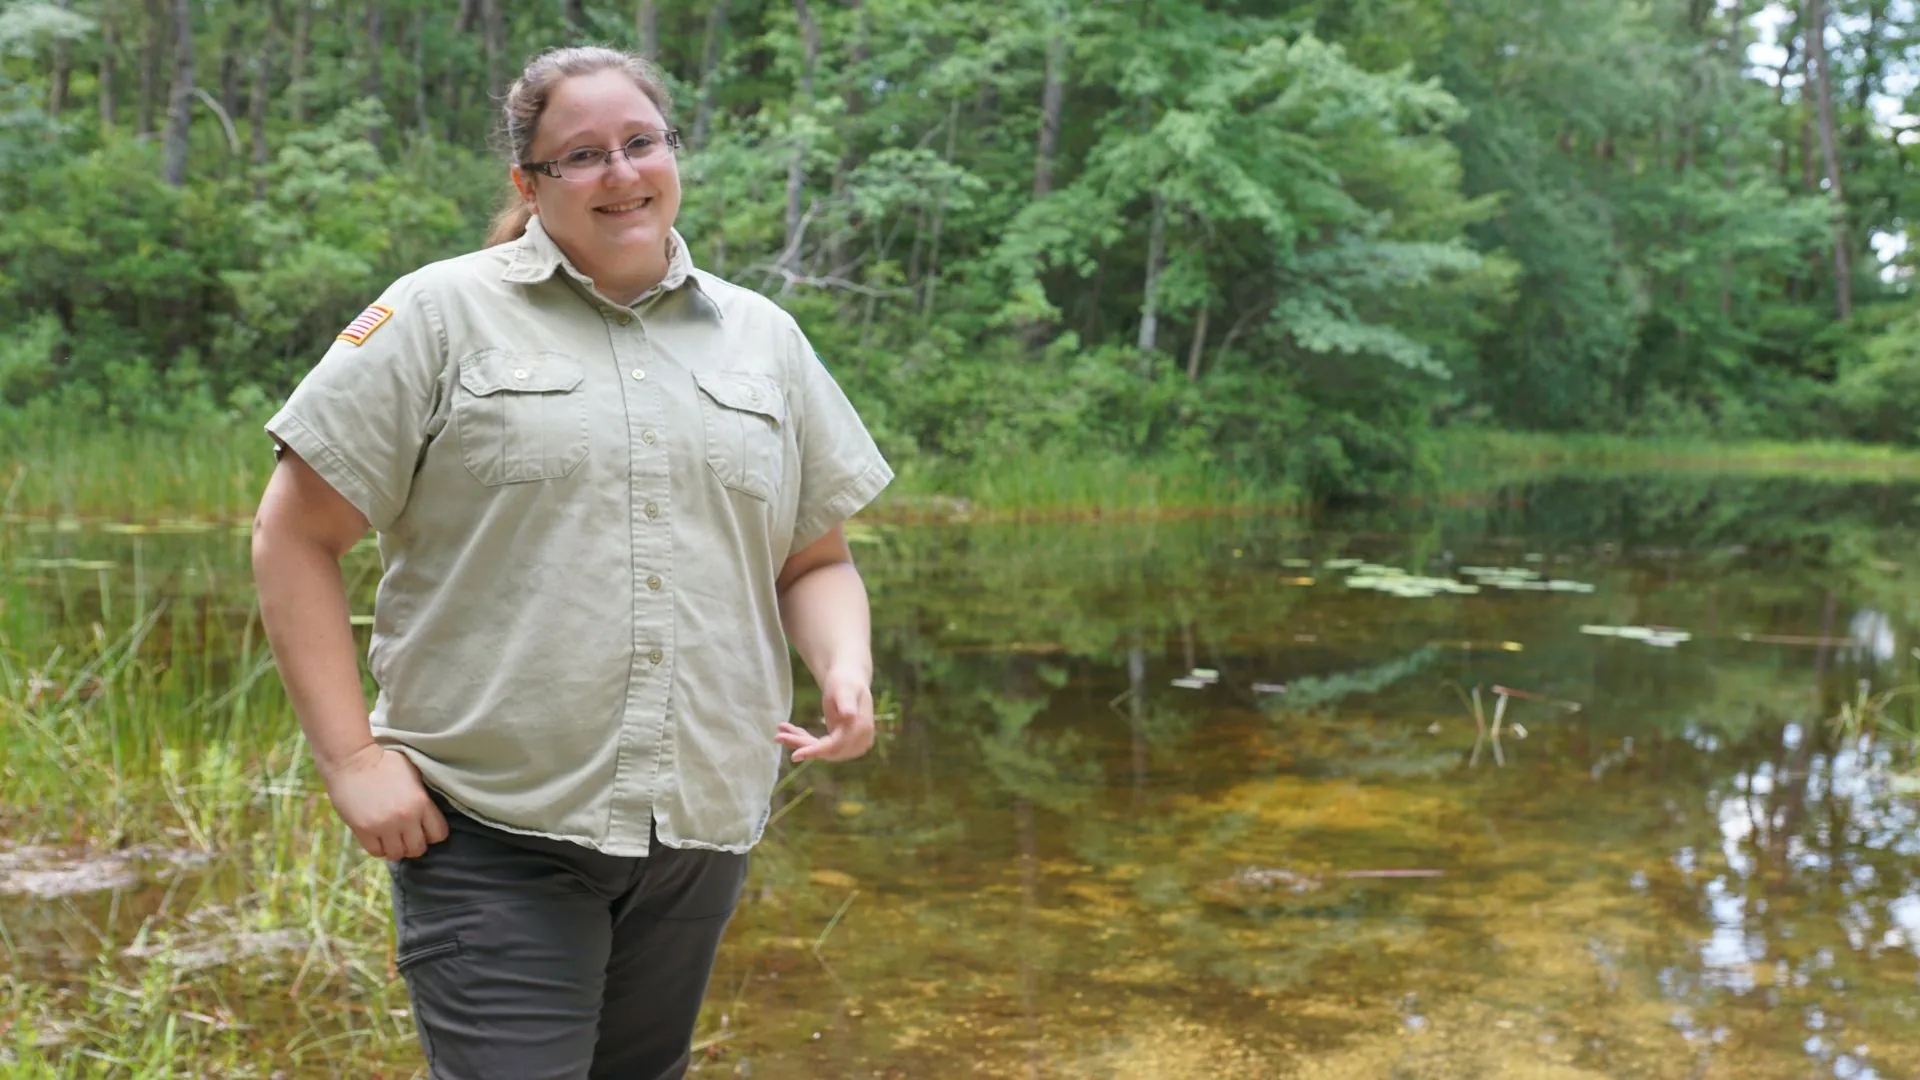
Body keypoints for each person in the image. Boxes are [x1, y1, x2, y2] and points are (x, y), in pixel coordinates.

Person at [250, 45, 892, 1080]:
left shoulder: (761, 339)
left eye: (640, 143)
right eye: (580, 155)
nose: (620, 173)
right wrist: (353, 762)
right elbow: (294, 537)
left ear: (673, 152)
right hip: (493, 825)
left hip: (699, 828)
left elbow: (814, 560)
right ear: (528, 184)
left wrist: (846, 670)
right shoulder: (437, 315)